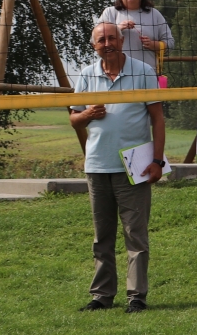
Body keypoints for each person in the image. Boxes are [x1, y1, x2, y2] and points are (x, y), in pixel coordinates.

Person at [69, 21, 166, 313]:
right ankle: (102, 296)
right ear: (94, 46)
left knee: (135, 234)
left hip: (134, 167)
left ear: (122, 41)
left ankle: (136, 297)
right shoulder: (86, 75)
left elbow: (158, 119)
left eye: (112, 38)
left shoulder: (143, 72)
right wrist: (87, 113)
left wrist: (157, 161)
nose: (107, 43)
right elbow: (74, 120)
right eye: (102, 40)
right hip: (97, 166)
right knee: (102, 236)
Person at [98, 0, 174, 80]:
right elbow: (97, 40)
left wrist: (153, 45)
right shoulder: (110, 13)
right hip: (116, 76)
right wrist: (117, 28)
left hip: (147, 75)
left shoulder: (154, 14)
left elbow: (170, 43)